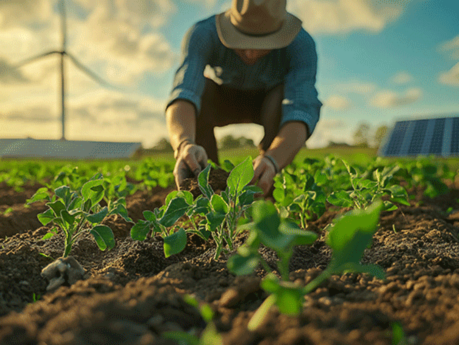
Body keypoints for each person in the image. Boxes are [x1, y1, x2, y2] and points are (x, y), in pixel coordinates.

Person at [166, 0, 322, 195]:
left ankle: (266, 178)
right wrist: (184, 144)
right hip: (223, 99)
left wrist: (273, 160)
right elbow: (183, 92)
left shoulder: (301, 45)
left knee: (281, 100)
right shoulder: (203, 34)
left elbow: (301, 110)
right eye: (240, 41)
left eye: (262, 44)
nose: (250, 52)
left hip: (270, 102)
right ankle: (206, 183)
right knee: (202, 90)